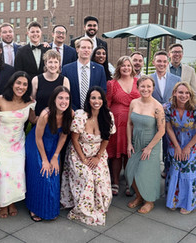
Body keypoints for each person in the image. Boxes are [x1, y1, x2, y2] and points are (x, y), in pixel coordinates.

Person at [61, 86, 116, 226]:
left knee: (100, 178)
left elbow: (106, 139)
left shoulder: (108, 116)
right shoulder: (81, 115)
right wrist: (84, 159)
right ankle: (83, 208)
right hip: (78, 153)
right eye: (93, 98)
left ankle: (98, 204)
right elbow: (74, 139)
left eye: (99, 98)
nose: (96, 101)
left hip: (98, 153)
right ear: (88, 100)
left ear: (103, 100)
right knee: (88, 176)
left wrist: (98, 157)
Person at [0, 71, 37, 218]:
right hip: (0, 144)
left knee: (16, 174)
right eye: (18, 83)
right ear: (12, 83)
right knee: (2, 172)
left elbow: (34, 120)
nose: (21, 87)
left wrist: (54, 113)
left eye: (24, 84)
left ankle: (12, 202)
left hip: (18, 144)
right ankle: (3, 204)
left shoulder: (29, 102)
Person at [25, 86, 73, 222]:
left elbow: (64, 136)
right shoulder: (46, 114)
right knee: (42, 173)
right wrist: (45, 160)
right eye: (60, 98)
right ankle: (34, 207)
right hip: (36, 145)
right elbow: (37, 138)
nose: (64, 101)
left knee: (54, 173)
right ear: (54, 99)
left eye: (67, 98)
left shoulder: (70, 114)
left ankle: (49, 208)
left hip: (54, 145)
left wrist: (55, 156)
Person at [164, 82, 196, 214]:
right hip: (175, 141)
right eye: (181, 92)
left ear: (190, 94)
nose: (184, 95)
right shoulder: (167, 108)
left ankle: (191, 202)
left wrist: (187, 147)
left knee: (188, 171)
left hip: (193, 143)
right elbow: (168, 127)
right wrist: (177, 146)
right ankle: (174, 199)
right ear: (175, 93)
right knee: (174, 169)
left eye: (186, 93)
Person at [126, 76, 165, 214]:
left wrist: (149, 148)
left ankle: (149, 201)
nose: (145, 89)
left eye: (149, 86)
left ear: (153, 88)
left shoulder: (157, 106)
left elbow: (162, 130)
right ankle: (139, 196)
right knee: (130, 172)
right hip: (136, 143)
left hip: (150, 145)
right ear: (137, 88)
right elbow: (129, 124)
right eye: (142, 86)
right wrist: (129, 143)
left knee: (145, 173)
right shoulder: (134, 103)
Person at [106, 56, 140, 196]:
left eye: (128, 65)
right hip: (117, 124)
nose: (126, 68)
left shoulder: (138, 82)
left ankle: (129, 181)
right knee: (116, 155)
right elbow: (107, 104)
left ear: (132, 68)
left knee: (130, 154)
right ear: (118, 67)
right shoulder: (112, 84)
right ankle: (115, 181)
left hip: (134, 124)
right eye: (123, 65)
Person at [150, 51, 181, 178]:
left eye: (164, 61)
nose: (161, 64)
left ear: (167, 63)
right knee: (152, 142)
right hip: (152, 118)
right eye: (159, 61)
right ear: (154, 62)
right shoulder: (148, 78)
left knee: (169, 143)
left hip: (170, 118)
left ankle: (167, 168)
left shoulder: (176, 80)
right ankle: (151, 168)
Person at [62, 37, 107, 110]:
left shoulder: (100, 69)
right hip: (71, 112)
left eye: (89, 48)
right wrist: (73, 110)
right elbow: (64, 92)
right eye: (83, 47)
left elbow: (103, 91)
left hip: (93, 111)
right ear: (77, 49)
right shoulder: (66, 69)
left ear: (92, 50)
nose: (86, 50)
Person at [31, 50, 70, 116]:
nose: (53, 65)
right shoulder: (36, 80)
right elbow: (32, 102)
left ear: (59, 64)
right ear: (45, 63)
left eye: (56, 62)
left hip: (58, 120)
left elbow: (66, 102)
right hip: (39, 119)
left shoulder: (64, 80)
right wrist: (34, 119)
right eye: (50, 62)